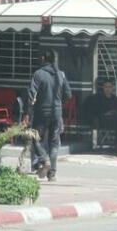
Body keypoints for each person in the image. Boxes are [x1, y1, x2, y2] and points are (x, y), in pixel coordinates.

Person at [27, 51, 71, 181]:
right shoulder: (61, 74)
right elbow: (68, 94)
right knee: (54, 143)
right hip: (57, 114)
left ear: (43, 58)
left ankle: (44, 159)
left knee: (35, 139)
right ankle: (52, 174)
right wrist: (59, 104)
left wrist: (29, 110)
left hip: (41, 113)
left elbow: (31, 94)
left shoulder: (38, 74)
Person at [82, 80, 117, 150]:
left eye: (110, 87)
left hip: (115, 120)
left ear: (112, 88)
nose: (108, 89)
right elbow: (95, 110)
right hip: (102, 121)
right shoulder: (98, 98)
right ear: (103, 88)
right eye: (106, 87)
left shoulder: (116, 99)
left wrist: (113, 112)